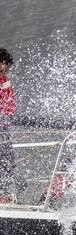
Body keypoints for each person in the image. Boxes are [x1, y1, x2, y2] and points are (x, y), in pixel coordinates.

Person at [0, 48, 16, 203]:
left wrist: (7, 117)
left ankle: (4, 194)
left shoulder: (4, 81)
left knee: (7, 161)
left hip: (3, 128)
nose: (6, 68)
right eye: (4, 64)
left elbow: (9, 104)